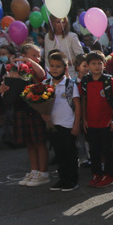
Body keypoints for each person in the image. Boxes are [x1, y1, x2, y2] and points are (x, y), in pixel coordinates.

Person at [80, 51, 113, 188]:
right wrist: (84, 119)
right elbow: (84, 100)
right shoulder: (85, 81)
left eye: (99, 63)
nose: (97, 66)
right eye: (93, 64)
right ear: (88, 65)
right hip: (91, 122)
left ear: (104, 65)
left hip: (106, 122)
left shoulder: (109, 81)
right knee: (94, 150)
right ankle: (97, 173)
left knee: (107, 149)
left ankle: (110, 175)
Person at [43, 52, 81, 191]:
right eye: (52, 66)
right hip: (53, 125)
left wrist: (77, 124)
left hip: (67, 124)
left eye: (58, 66)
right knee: (59, 154)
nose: (54, 69)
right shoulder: (45, 84)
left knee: (69, 153)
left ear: (65, 68)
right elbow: (40, 102)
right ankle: (62, 178)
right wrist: (44, 115)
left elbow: (77, 105)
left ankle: (72, 180)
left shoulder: (70, 85)